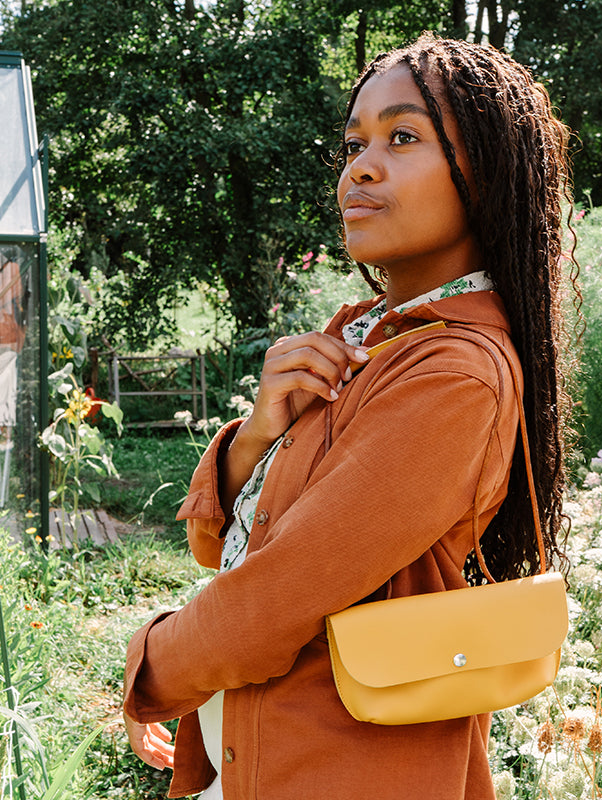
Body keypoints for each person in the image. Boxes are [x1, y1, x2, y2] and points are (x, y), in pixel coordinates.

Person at [123, 33, 575, 799]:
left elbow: (278, 595)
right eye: (354, 142)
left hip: (337, 773)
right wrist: (258, 434)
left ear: (489, 176)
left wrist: (151, 670)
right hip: (248, 761)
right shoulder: (360, 338)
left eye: (404, 137)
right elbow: (223, 543)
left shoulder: (454, 373)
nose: (360, 167)